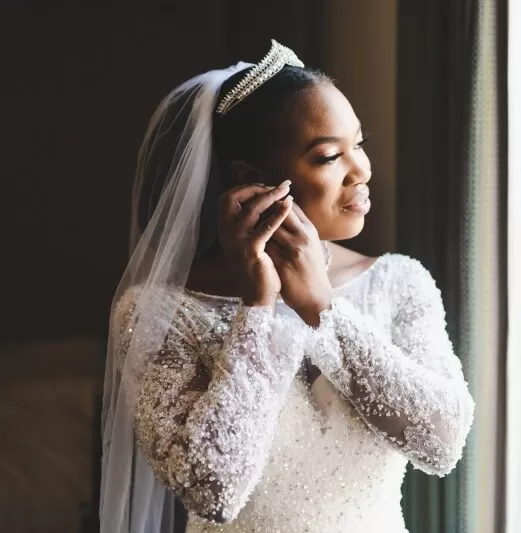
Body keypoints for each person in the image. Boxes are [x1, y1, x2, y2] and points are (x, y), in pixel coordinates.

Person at [100, 40, 475, 533]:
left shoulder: (399, 283)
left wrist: (321, 308)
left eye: (358, 145)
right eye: (328, 157)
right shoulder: (154, 313)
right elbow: (213, 487)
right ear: (251, 180)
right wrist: (258, 308)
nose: (361, 170)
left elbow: (442, 443)